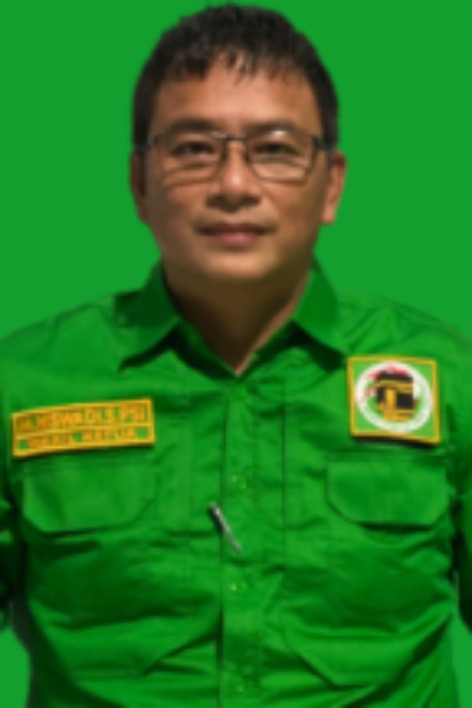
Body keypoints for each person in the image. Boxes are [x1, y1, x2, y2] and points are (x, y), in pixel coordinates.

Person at [1, 3, 471, 706]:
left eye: (275, 149)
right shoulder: (26, 384)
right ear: (139, 184)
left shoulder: (449, 376)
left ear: (331, 184)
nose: (233, 185)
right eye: (193, 149)